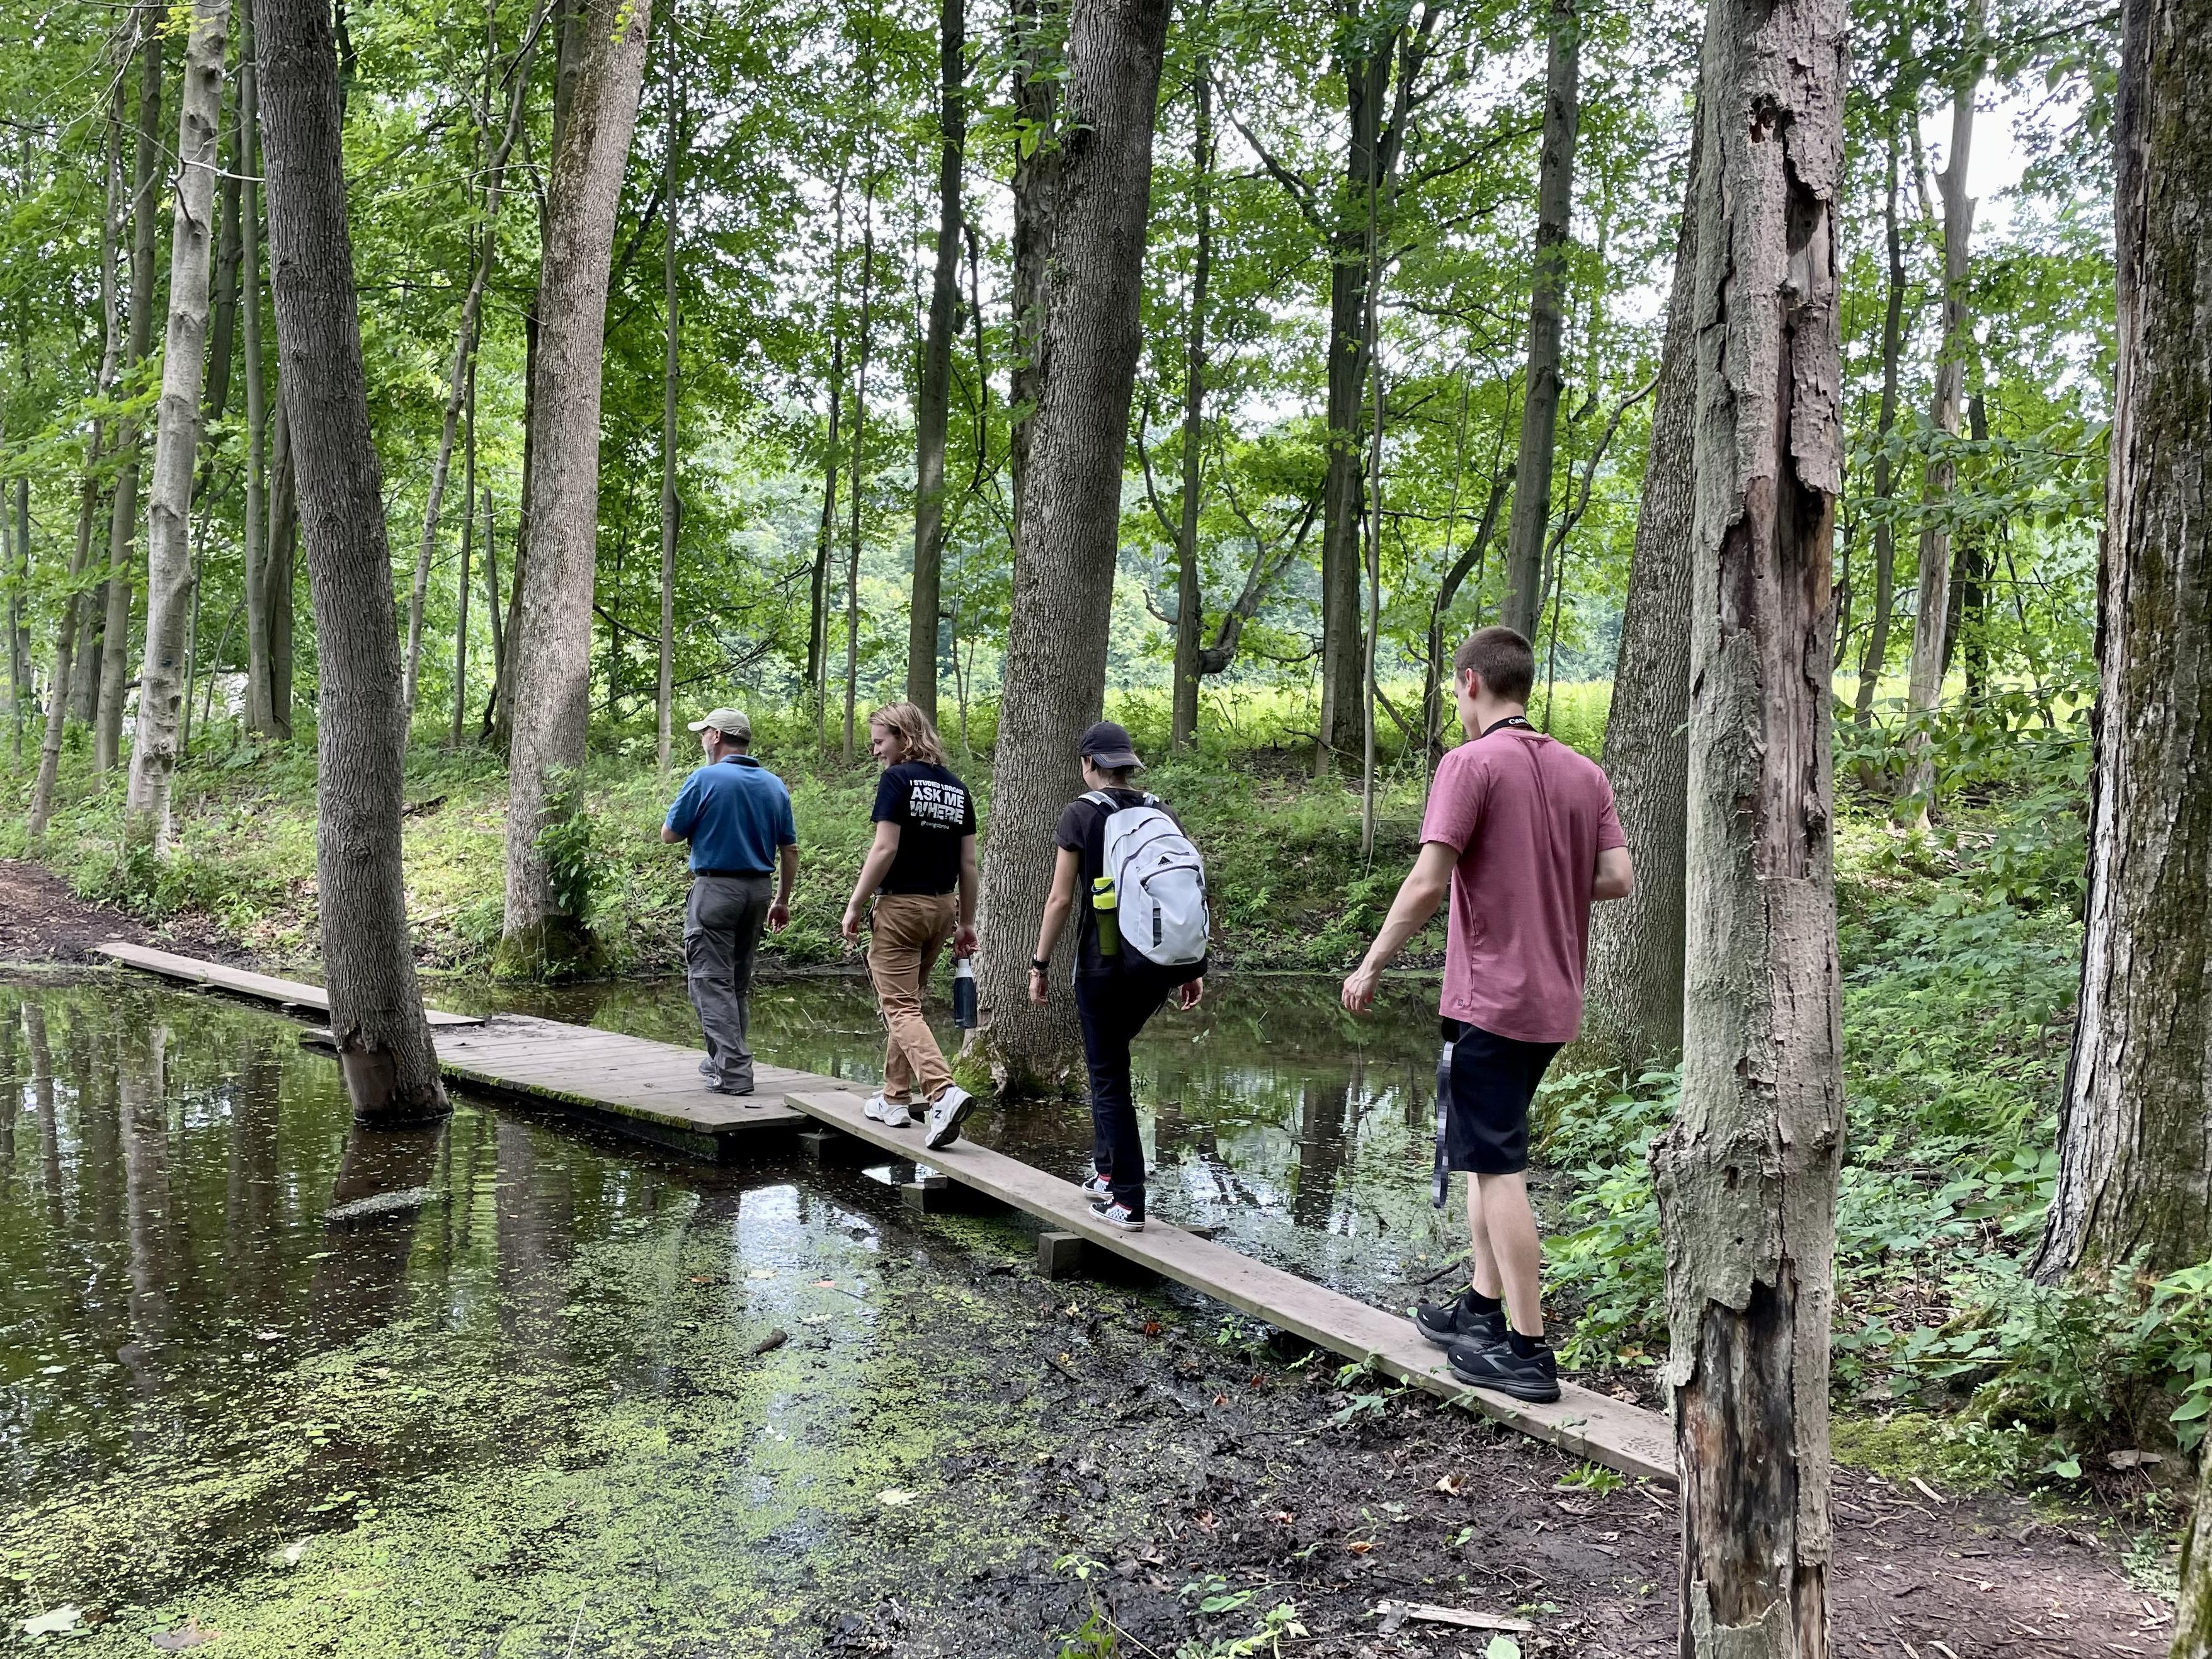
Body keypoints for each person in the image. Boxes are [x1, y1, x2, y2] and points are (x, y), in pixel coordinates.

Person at [1341, 627, 1634, 1403]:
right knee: (1482, 1150)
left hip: (1492, 1002)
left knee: (1499, 1169)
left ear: (1470, 683)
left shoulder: (1466, 765)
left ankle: (1529, 1351)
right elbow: (1616, 878)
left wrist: (1370, 963)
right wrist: (1541, 876)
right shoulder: (1583, 771)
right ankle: (1478, 1307)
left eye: (1454, 689)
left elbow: (1426, 883)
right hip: (1552, 1001)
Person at [1028, 721, 1205, 1234]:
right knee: (1109, 1065)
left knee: (1109, 1077)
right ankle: (1107, 1173)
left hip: (1104, 966)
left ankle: (1127, 1200)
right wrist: (1190, 969)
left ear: (1089, 765)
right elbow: (1186, 895)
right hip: (1156, 966)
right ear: (1129, 765)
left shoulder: (1081, 813)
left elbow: (1061, 898)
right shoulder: (1161, 811)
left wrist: (1040, 964)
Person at [841, 700, 979, 1150]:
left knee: (899, 1007)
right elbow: (969, 864)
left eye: (880, 741)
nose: (876, 751)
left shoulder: (896, 780)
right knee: (910, 1004)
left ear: (904, 737)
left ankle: (941, 1091)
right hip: (942, 908)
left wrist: (856, 903)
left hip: (900, 908)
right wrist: (967, 923)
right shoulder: (958, 789)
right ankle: (895, 1099)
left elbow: (884, 849)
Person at [661, 707, 799, 1097]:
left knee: (708, 980)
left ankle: (735, 1073)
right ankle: (719, 1060)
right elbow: (789, 849)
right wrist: (782, 899)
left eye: (704, 733)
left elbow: (670, 834)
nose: (702, 739)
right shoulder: (774, 785)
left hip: (716, 890)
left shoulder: (706, 778)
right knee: (736, 981)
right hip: (758, 891)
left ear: (717, 736)